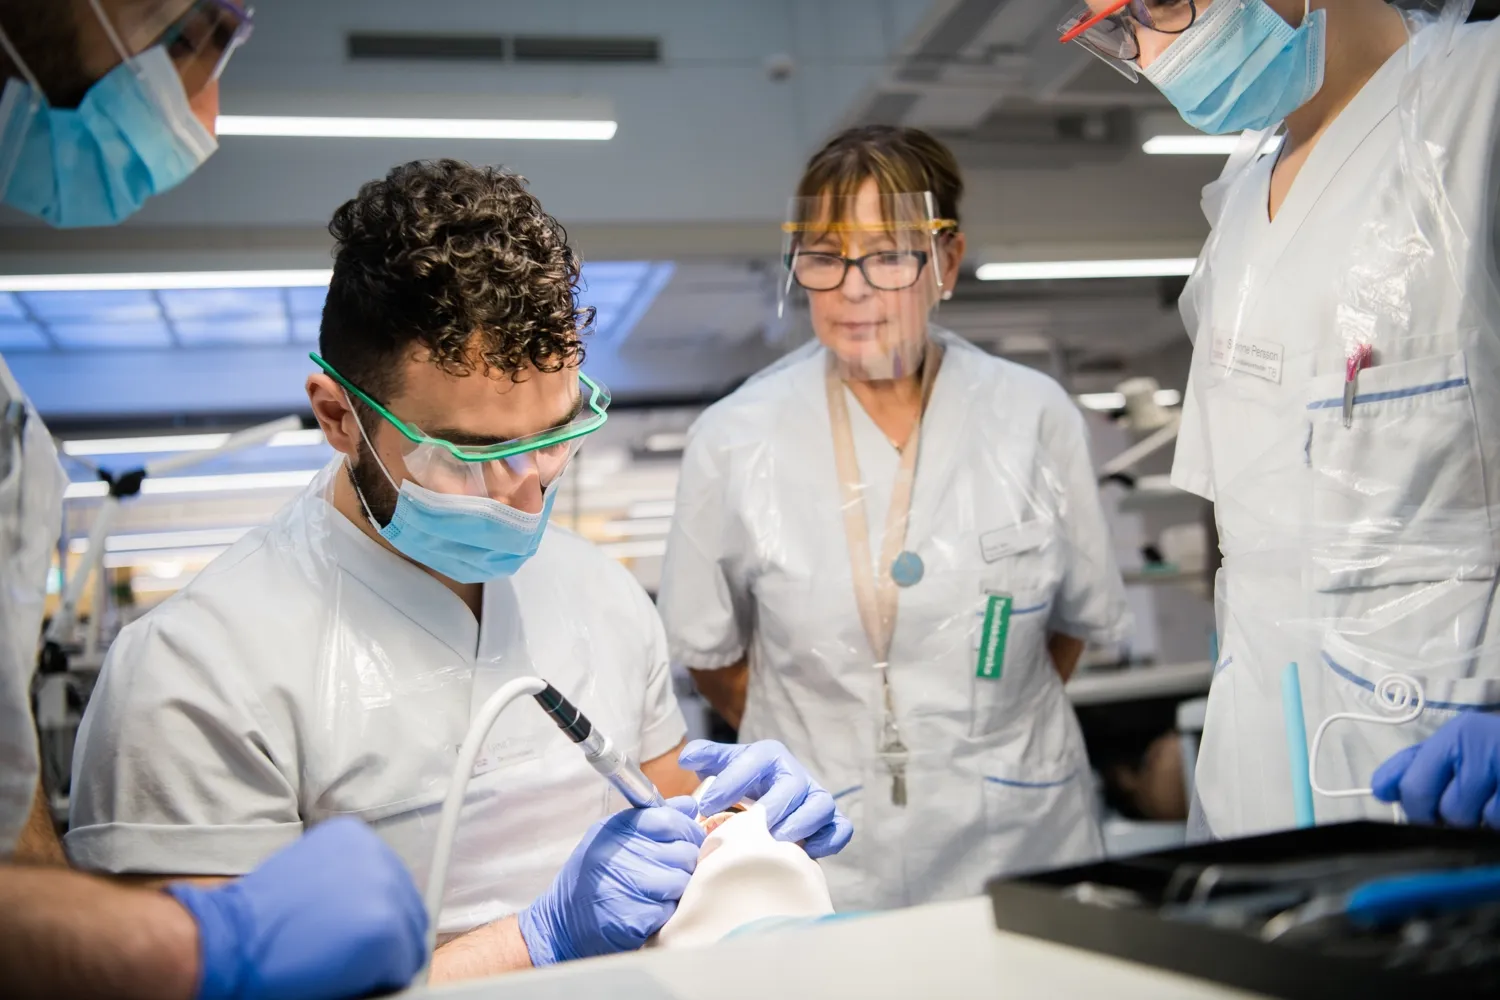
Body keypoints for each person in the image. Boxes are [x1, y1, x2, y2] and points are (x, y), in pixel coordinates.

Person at [66, 157, 852, 981]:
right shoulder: (192, 676)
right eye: (474, 454)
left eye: (553, 437)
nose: (525, 491)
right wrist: (535, 940)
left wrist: (736, 819)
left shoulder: (602, 595)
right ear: (338, 417)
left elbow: (669, 819)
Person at [0, 3, 441, 998]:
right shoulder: (192, 664)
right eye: (195, 31)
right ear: (339, 415)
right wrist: (188, 946)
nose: (203, 104)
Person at [656, 125, 1130, 911]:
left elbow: (1071, 623)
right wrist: (840, 732)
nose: (852, 286)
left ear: (945, 259)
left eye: (887, 253)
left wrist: (973, 729)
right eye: (824, 253)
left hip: (1016, 825)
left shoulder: (1031, 415)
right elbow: (713, 657)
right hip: (828, 843)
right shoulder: (736, 437)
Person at [1060, 0, 1500, 838]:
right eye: (1118, 30)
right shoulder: (1237, 213)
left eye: (1154, 6)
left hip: (1451, 771)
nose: (1153, 52)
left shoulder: (1480, 102)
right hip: (1261, 784)